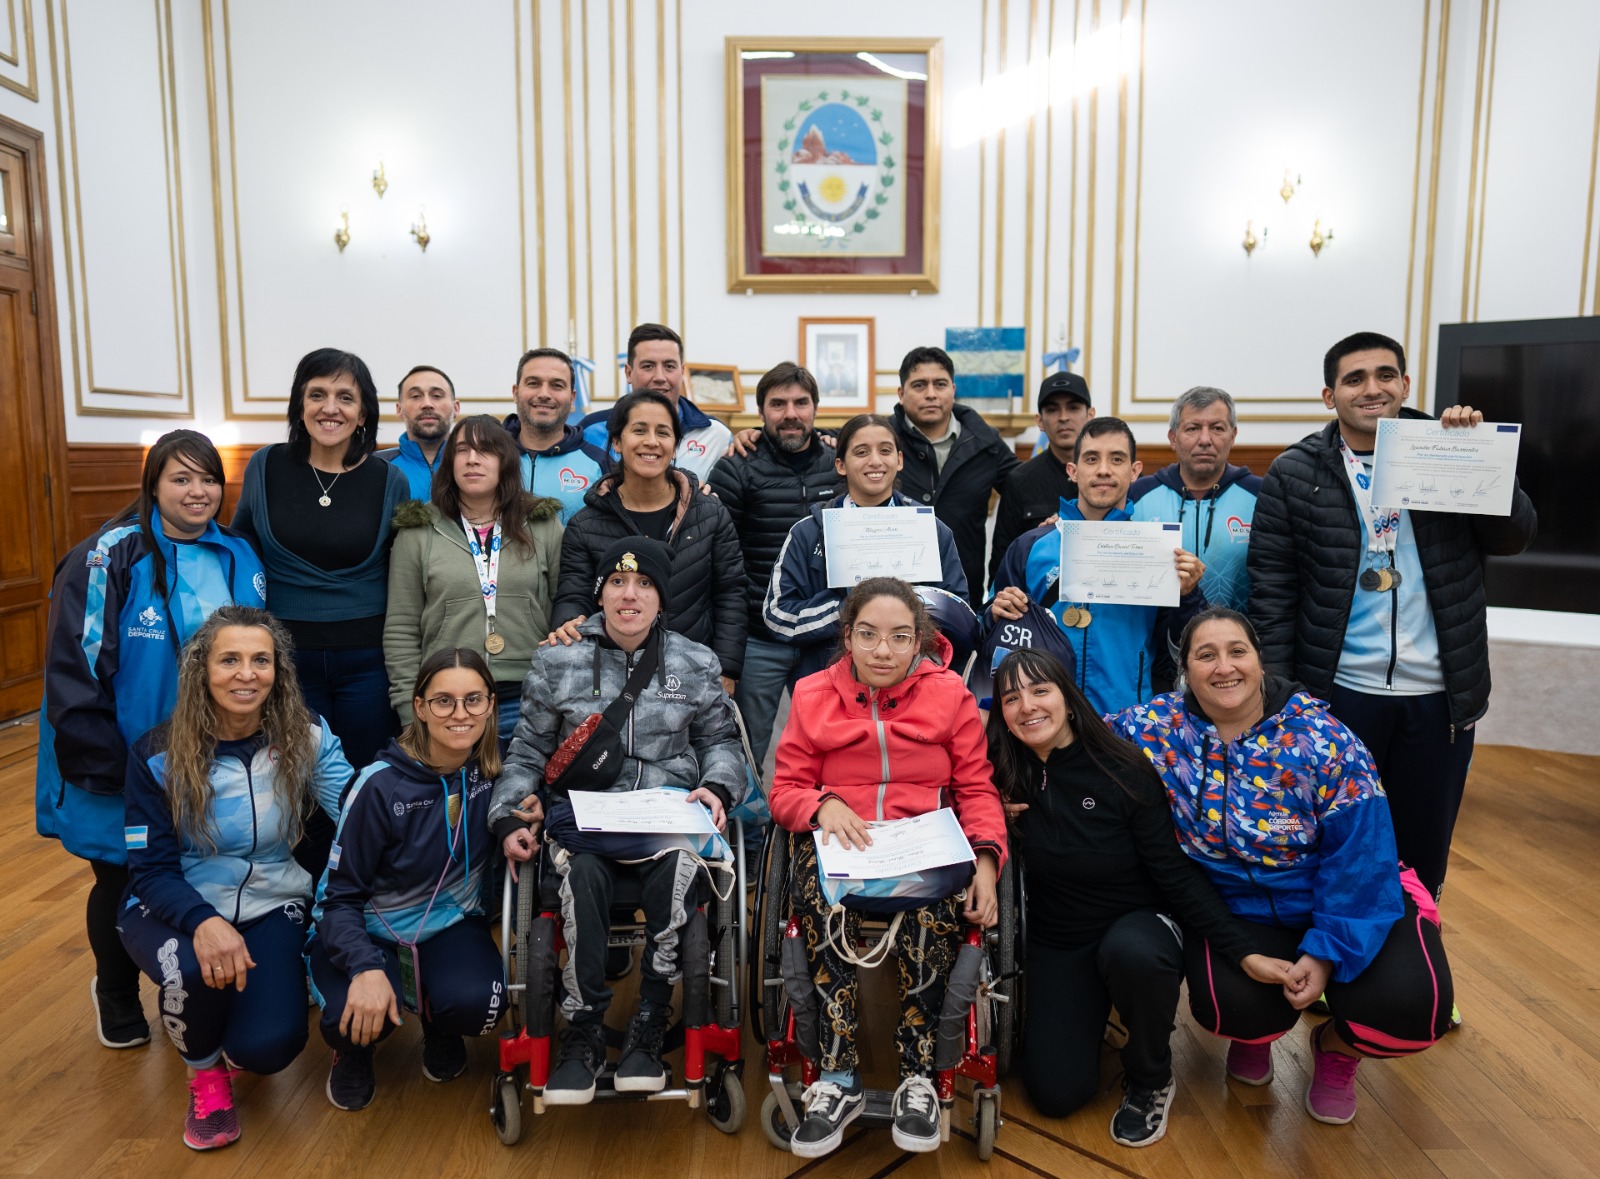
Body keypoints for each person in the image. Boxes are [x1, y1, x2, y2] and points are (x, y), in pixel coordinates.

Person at [1110, 607, 1454, 1127]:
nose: (1224, 667)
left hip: (1351, 897)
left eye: (1237, 651)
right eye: (1206, 655)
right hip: (1238, 907)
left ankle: (1337, 1049)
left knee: (1412, 1013)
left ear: (1260, 662)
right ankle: (1258, 1034)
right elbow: (1071, 737)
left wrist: (1325, 953)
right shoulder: (1156, 728)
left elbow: (1361, 861)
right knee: (1233, 1011)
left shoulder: (1324, 738)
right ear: (1185, 671)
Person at [1247, 331, 1537, 905]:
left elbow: (1515, 536)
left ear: (1405, 386)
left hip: (1439, 695)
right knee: (1337, 845)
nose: (1371, 389)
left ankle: (1417, 977)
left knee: (1424, 853)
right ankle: (1342, 972)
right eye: (1354, 379)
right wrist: (1282, 699)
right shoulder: (1293, 473)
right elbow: (1273, 594)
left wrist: (1482, 454)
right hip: (1340, 695)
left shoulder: (1452, 447)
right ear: (1329, 396)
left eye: (1385, 376)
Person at [987, 648, 1284, 1148]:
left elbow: (1175, 875)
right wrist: (989, 814)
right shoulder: (998, 776)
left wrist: (1245, 951)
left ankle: (1150, 1078)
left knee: (1132, 954)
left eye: (1041, 690)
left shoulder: (1122, 769)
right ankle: (1094, 1009)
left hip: (1137, 926)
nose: (1028, 706)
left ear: (1068, 696)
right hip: (1059, 943)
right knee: (1056, 1095)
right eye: (1011, 698)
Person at [491, 537, 744, 1104]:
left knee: (681, 869)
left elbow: (722, 741)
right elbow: (527, 753)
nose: (630, 595)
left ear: (661, 597)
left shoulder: (696, 661)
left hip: (665, 818)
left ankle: (650, 1020)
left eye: (645, 584)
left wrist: (718, 785)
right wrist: (508, 815)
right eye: (617, 583)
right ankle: (581, 1029)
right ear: (600, 592)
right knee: (581, 877)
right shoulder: (557, 660)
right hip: (586, 822)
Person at [35, 429, 266, 1052]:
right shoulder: (108, 556)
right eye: (181, 479)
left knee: (184, 875)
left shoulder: (239, 555)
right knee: (120, 878)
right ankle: (114, 990)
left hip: (207, 758)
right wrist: (113, 768)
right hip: (113, 755)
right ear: (153, 484)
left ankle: (188, 986)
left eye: (209, 479)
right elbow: (75, 672)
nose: (198, 492)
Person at [768, 578, 1006, 1160]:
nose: (883, 651)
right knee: (818, 900)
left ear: (920, 642)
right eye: (868, 635)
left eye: (900, 638)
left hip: (919, 839)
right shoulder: (811, 694)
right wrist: (821, 804)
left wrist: (986, 859)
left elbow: (976, 789)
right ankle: (838, 1076)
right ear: (847, 637)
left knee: (935, 908)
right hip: (841, 839)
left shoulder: (950, 695)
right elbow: (785, 790)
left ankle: (919, 1075)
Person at [118, 607, 352, 1149]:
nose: (247, 674)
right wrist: (203, 922)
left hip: (273, 896)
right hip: (172, 904)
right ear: (202, 670)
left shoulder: (306, 734)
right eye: (230, 660)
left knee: (268, 1049)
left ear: (278, 672)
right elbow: (150, 869)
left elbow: (360, 807)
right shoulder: (156, 754)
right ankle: (203, 1073)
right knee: (194, 970)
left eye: (260, 661)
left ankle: (222, 1026)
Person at [309, 648, 510, 1111]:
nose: (460, 714)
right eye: (443, 701)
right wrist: (363, 966)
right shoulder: (378, 785)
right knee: (350, 1020)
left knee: (481, 1008)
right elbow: (338, 902)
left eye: (473, 700)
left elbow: (532, 805)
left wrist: (526, 816)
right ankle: (353, 1053)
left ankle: (440, 1023)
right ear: (419, 707)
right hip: (365, 929)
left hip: (449, 922)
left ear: (491, 704)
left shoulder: (498, 769)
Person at [231, 347, 410, 773]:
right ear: (300, 404)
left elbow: (404, 571)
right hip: (284, 659)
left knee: (364, 776)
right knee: (294, 781)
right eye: (317, 395)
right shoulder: (265, 464)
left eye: (345, 397)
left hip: (366, 661)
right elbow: (240, 548)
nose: (331, 408)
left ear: (363, 413)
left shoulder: (389, 480)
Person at [987, 417, 1207, 714]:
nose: (1103, 469)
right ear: (1073, 471)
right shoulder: (1030, 547)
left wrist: (1189, 593)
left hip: (1126, 719)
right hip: (1042, 718)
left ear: (1134, 472)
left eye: (1116, 459)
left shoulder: (1159, 554)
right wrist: (994, 612)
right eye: (1092, 459)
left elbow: (1184, 646)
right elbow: (989, 629)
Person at [550, 390, 747, 692]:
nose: (651, 442)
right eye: (639, 430)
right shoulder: (585, 524)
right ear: (616, 442)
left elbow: (730, 592)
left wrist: (727, 667)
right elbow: (573, 594)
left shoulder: (709, 513)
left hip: (695, 672)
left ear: (675, 445)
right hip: (613, 676)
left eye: (663, 432)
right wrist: (568, 620)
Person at [385, 415, 564, 736]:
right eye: (463, 450)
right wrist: (409, 711)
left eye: (486, 450)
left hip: (528, 695)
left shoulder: (542, 524)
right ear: (450, 462)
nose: (472, 460)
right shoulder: (418, 530)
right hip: (446, 700)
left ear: (505, 462)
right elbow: (401, 629)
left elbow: (565, 610)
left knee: (523, 788)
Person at [762, 413, 968, 682]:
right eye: (861, 452)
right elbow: (778, 615)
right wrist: (850, 609)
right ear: (841, 465)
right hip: (830, 686)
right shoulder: (808, 532)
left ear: (899, 460)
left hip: (914, 685)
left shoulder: (930, 529)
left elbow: (959, 611)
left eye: (885, 450)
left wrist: (904, 612)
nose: (875, 461)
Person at [707, 361, 842, 766]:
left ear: (815, 408)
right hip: (757, 637)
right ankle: (748, 827)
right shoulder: (736, 467)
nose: (791, 414)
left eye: (801, 403)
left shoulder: (840, 465)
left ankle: (819, 825)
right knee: (747, 748)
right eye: (778, 404)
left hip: (826, 638)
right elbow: (720, 561)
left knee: (830, 745)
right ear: (762, 411)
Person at [891, 345, 1020, 604]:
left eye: (940, 384)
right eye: (919, 386)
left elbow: (1024, 489)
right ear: (901, 394)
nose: (930, 394)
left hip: (962, 592)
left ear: (953, 389)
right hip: (891, 594)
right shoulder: (882, 440)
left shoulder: (986, 442)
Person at [1129, 386, 1260, 611]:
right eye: (1193, 428)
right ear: (1173, 438)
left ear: (1233, 436)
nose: (1205, 439)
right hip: (1156, 643)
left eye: (1217, 428)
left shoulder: (1262, 496)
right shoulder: (1136, 496)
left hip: (1239, 640)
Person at [577, 323, 733, 481]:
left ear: (682, 373)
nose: (659, 377)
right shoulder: (591, 430)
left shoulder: (716, 435)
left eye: (669, 366)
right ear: (629, 373)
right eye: (648, 366)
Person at [989, 371, 1092, 583]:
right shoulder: (1020, 480)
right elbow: (1002, 562)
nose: (1063, 417)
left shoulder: (1111, 478)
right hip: (1036, 605)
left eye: (1073, 408)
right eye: (1052, 410)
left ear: (1090, 415)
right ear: (1040, 421)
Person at [502, 346, 610, 524]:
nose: (544, 394)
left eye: (557, 385)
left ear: (572, 397)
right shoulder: (489, 455)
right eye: (533, 383)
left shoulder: (601, 465)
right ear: (516, 392)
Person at [377, 364, 460, 500]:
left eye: (437, 396)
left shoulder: (475, 464)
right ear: (399, 409)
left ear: (456, 408)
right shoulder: (378, 467)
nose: (427, 404)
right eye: (416, 396)